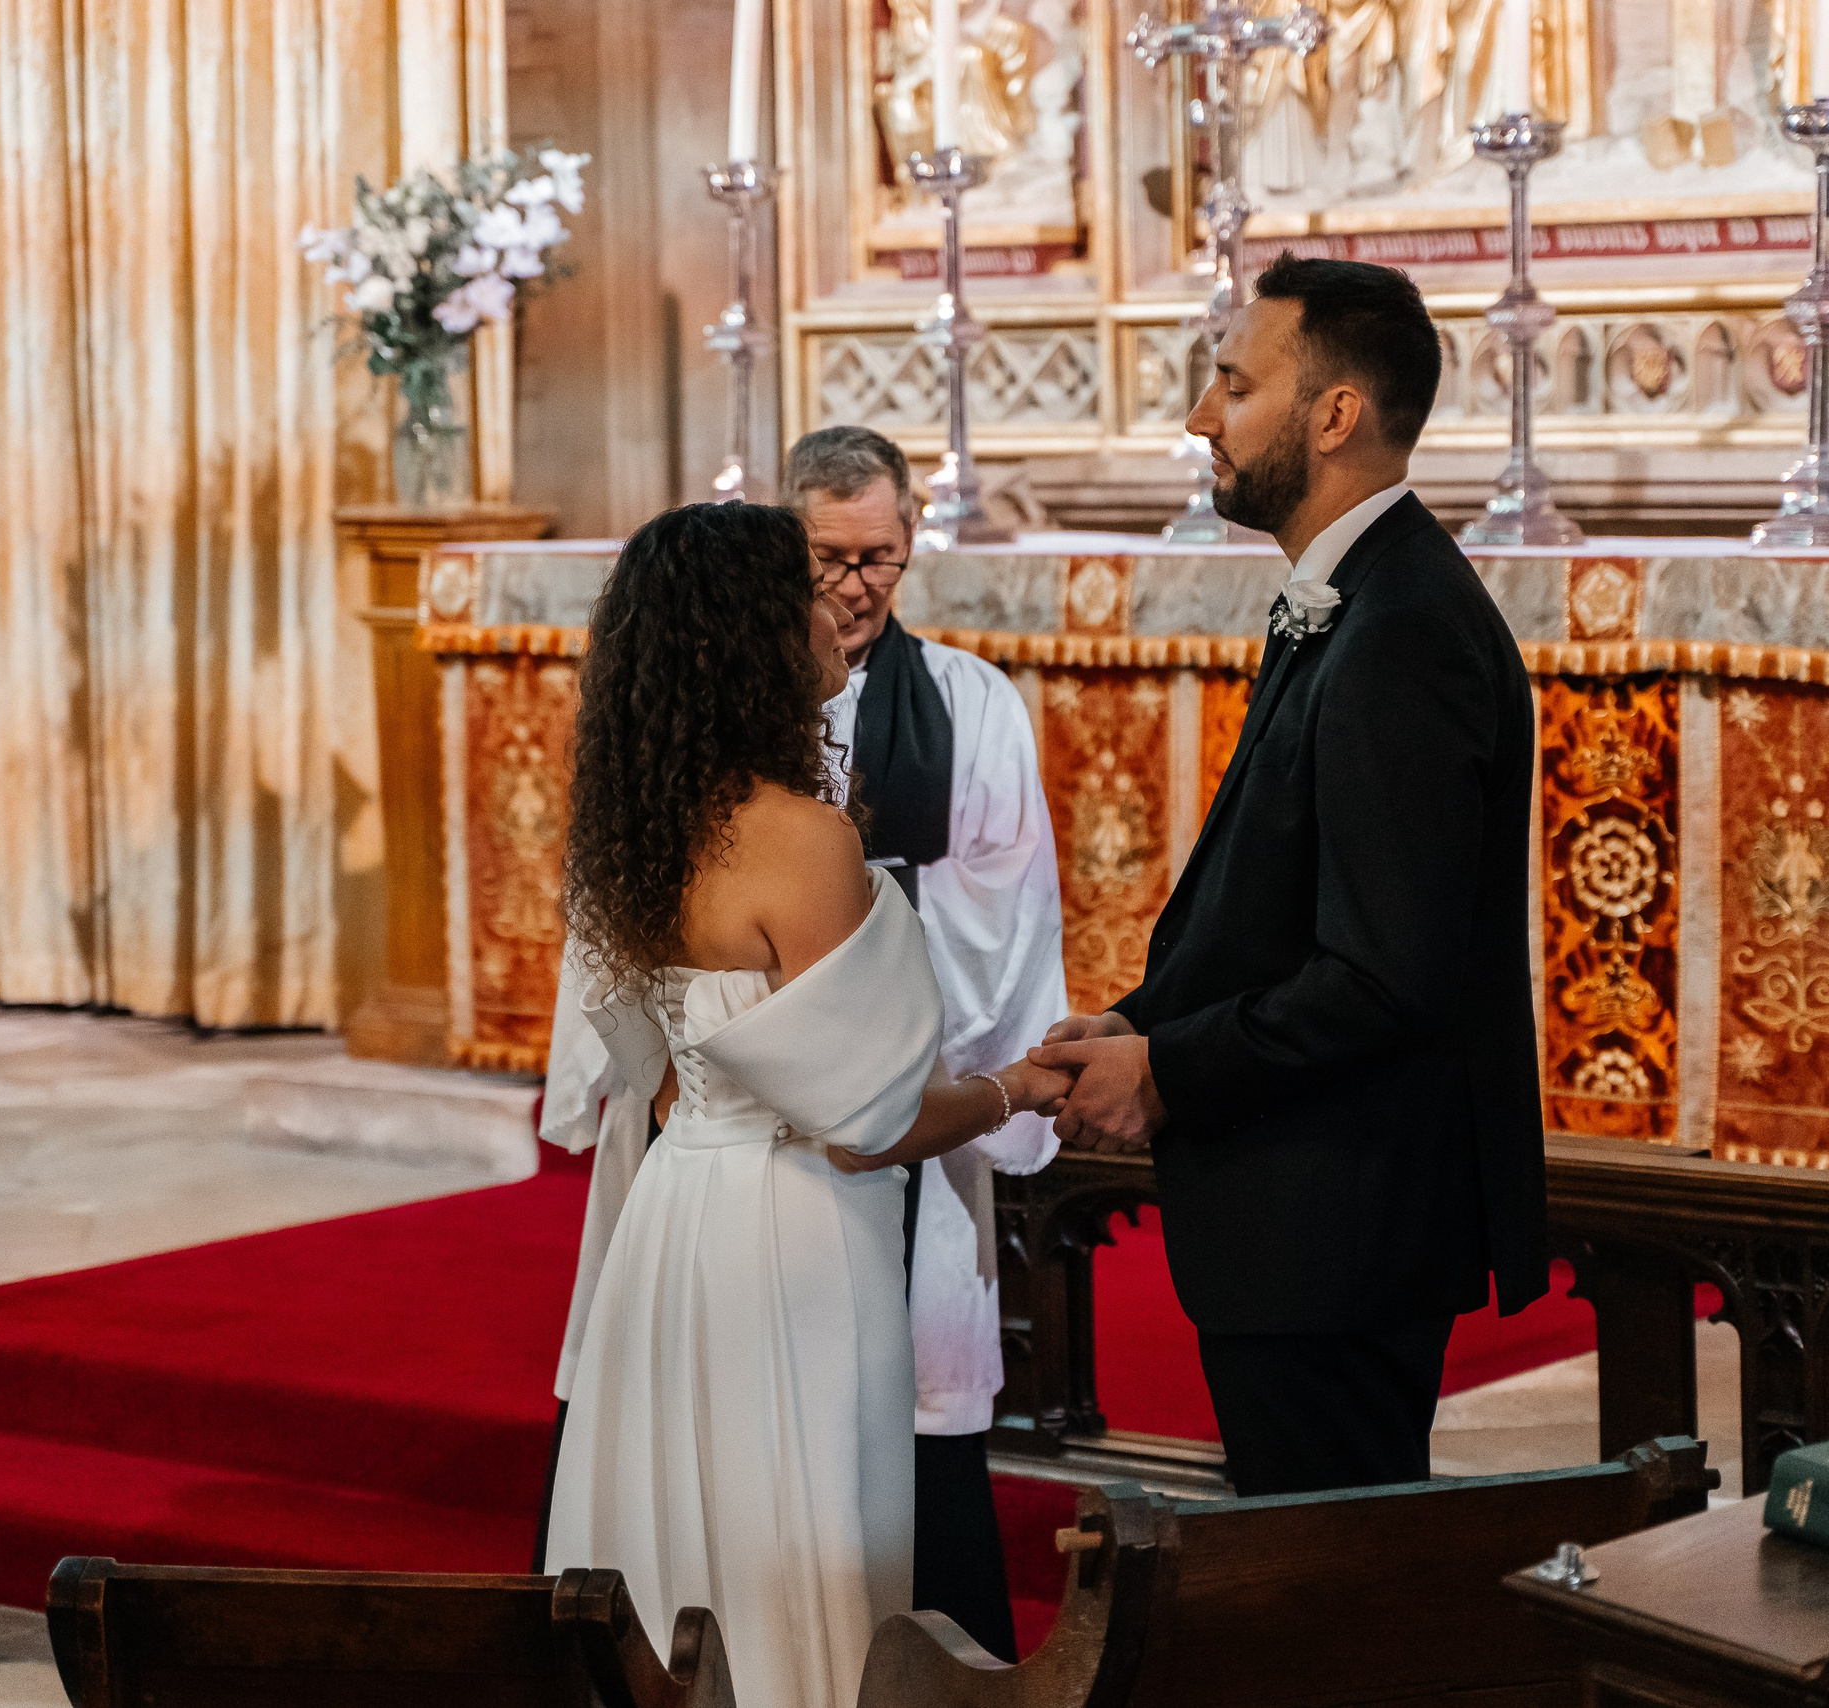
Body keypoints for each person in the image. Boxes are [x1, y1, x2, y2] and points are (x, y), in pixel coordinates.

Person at [537, 427, 1066, 1662]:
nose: (838, 608)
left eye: (864, 566)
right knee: (802, 1540)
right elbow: (868, 1126)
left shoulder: (635, 825)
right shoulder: (806, 840)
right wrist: (1017, 1086)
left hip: (675, 1219)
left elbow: (659, 1072)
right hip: (795, 1234)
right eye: (809, 587)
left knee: (688, 1522)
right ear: (755, 636)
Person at [1031, 254, 1549, 1501]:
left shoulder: (1403, 629)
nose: (1198, 417)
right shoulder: (1357, 596)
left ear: (1334, 415)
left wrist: (1167, 1070)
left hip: (1339, 1223)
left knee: (1334, 1575)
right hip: (1310, 1215)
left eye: (1233, 383)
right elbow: (1281, 906)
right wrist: (1140, 1023)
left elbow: (1382, 977)